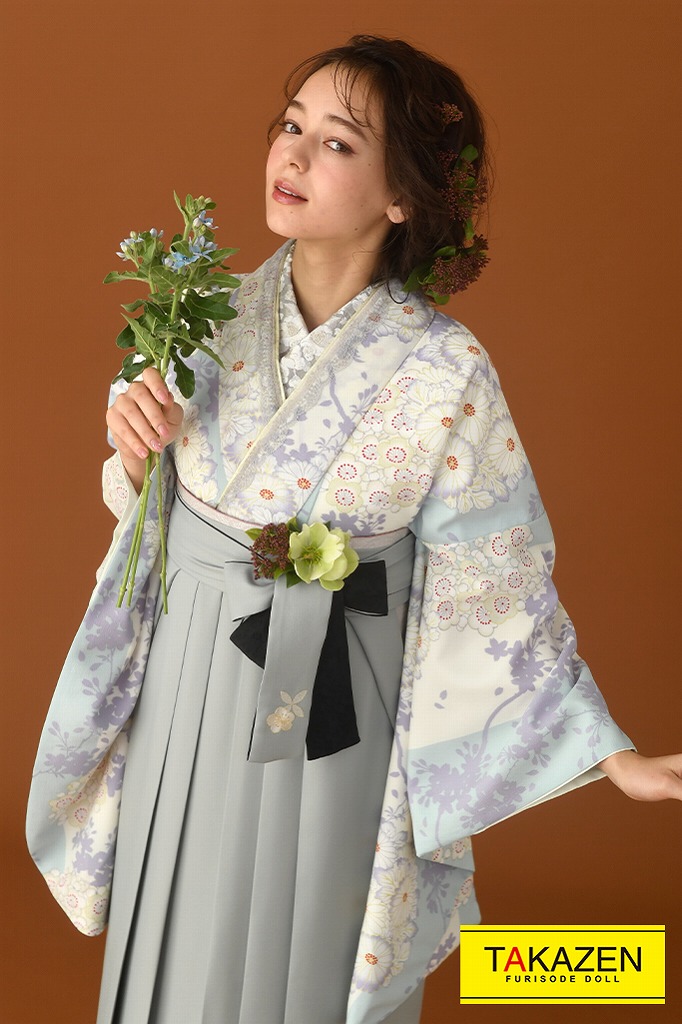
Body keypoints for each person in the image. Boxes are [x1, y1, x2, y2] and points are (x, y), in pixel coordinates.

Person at [27, 35, 682, 1024]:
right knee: (180, 939)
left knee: (310, 958)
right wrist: (132, 450)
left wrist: (606, 755)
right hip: (188, 684)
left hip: (338, 711)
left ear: (403, 196)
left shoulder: (445, 369)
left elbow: (492, 576)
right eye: (290, 126)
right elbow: (147, 514)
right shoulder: (198, 318)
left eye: (337, 143)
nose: (291, 154)